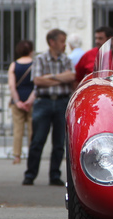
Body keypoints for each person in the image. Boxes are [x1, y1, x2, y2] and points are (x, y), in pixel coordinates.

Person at [23, 29, 75, 187]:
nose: (64, 44)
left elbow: (71, 77)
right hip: (43, 102)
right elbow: (38, 81)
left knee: (59, 142)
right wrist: (61, 78)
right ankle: (30, 175)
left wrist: (50, 78)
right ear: (52, 42)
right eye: (61, 40)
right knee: (38, 140)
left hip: (61, 102)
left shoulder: (66, 59)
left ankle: (54, 175)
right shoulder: (40, 59)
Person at [7, 40, 35, 164]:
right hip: (32, 101)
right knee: (32, 130)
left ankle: (17, 156)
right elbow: (37, 85)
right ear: (31, 51)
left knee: (18, 130)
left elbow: (12, 85)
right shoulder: (35, 65)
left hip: (17, 101)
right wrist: (29, 101)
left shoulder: (14, 65)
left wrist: (17, 101)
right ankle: (32, 155)